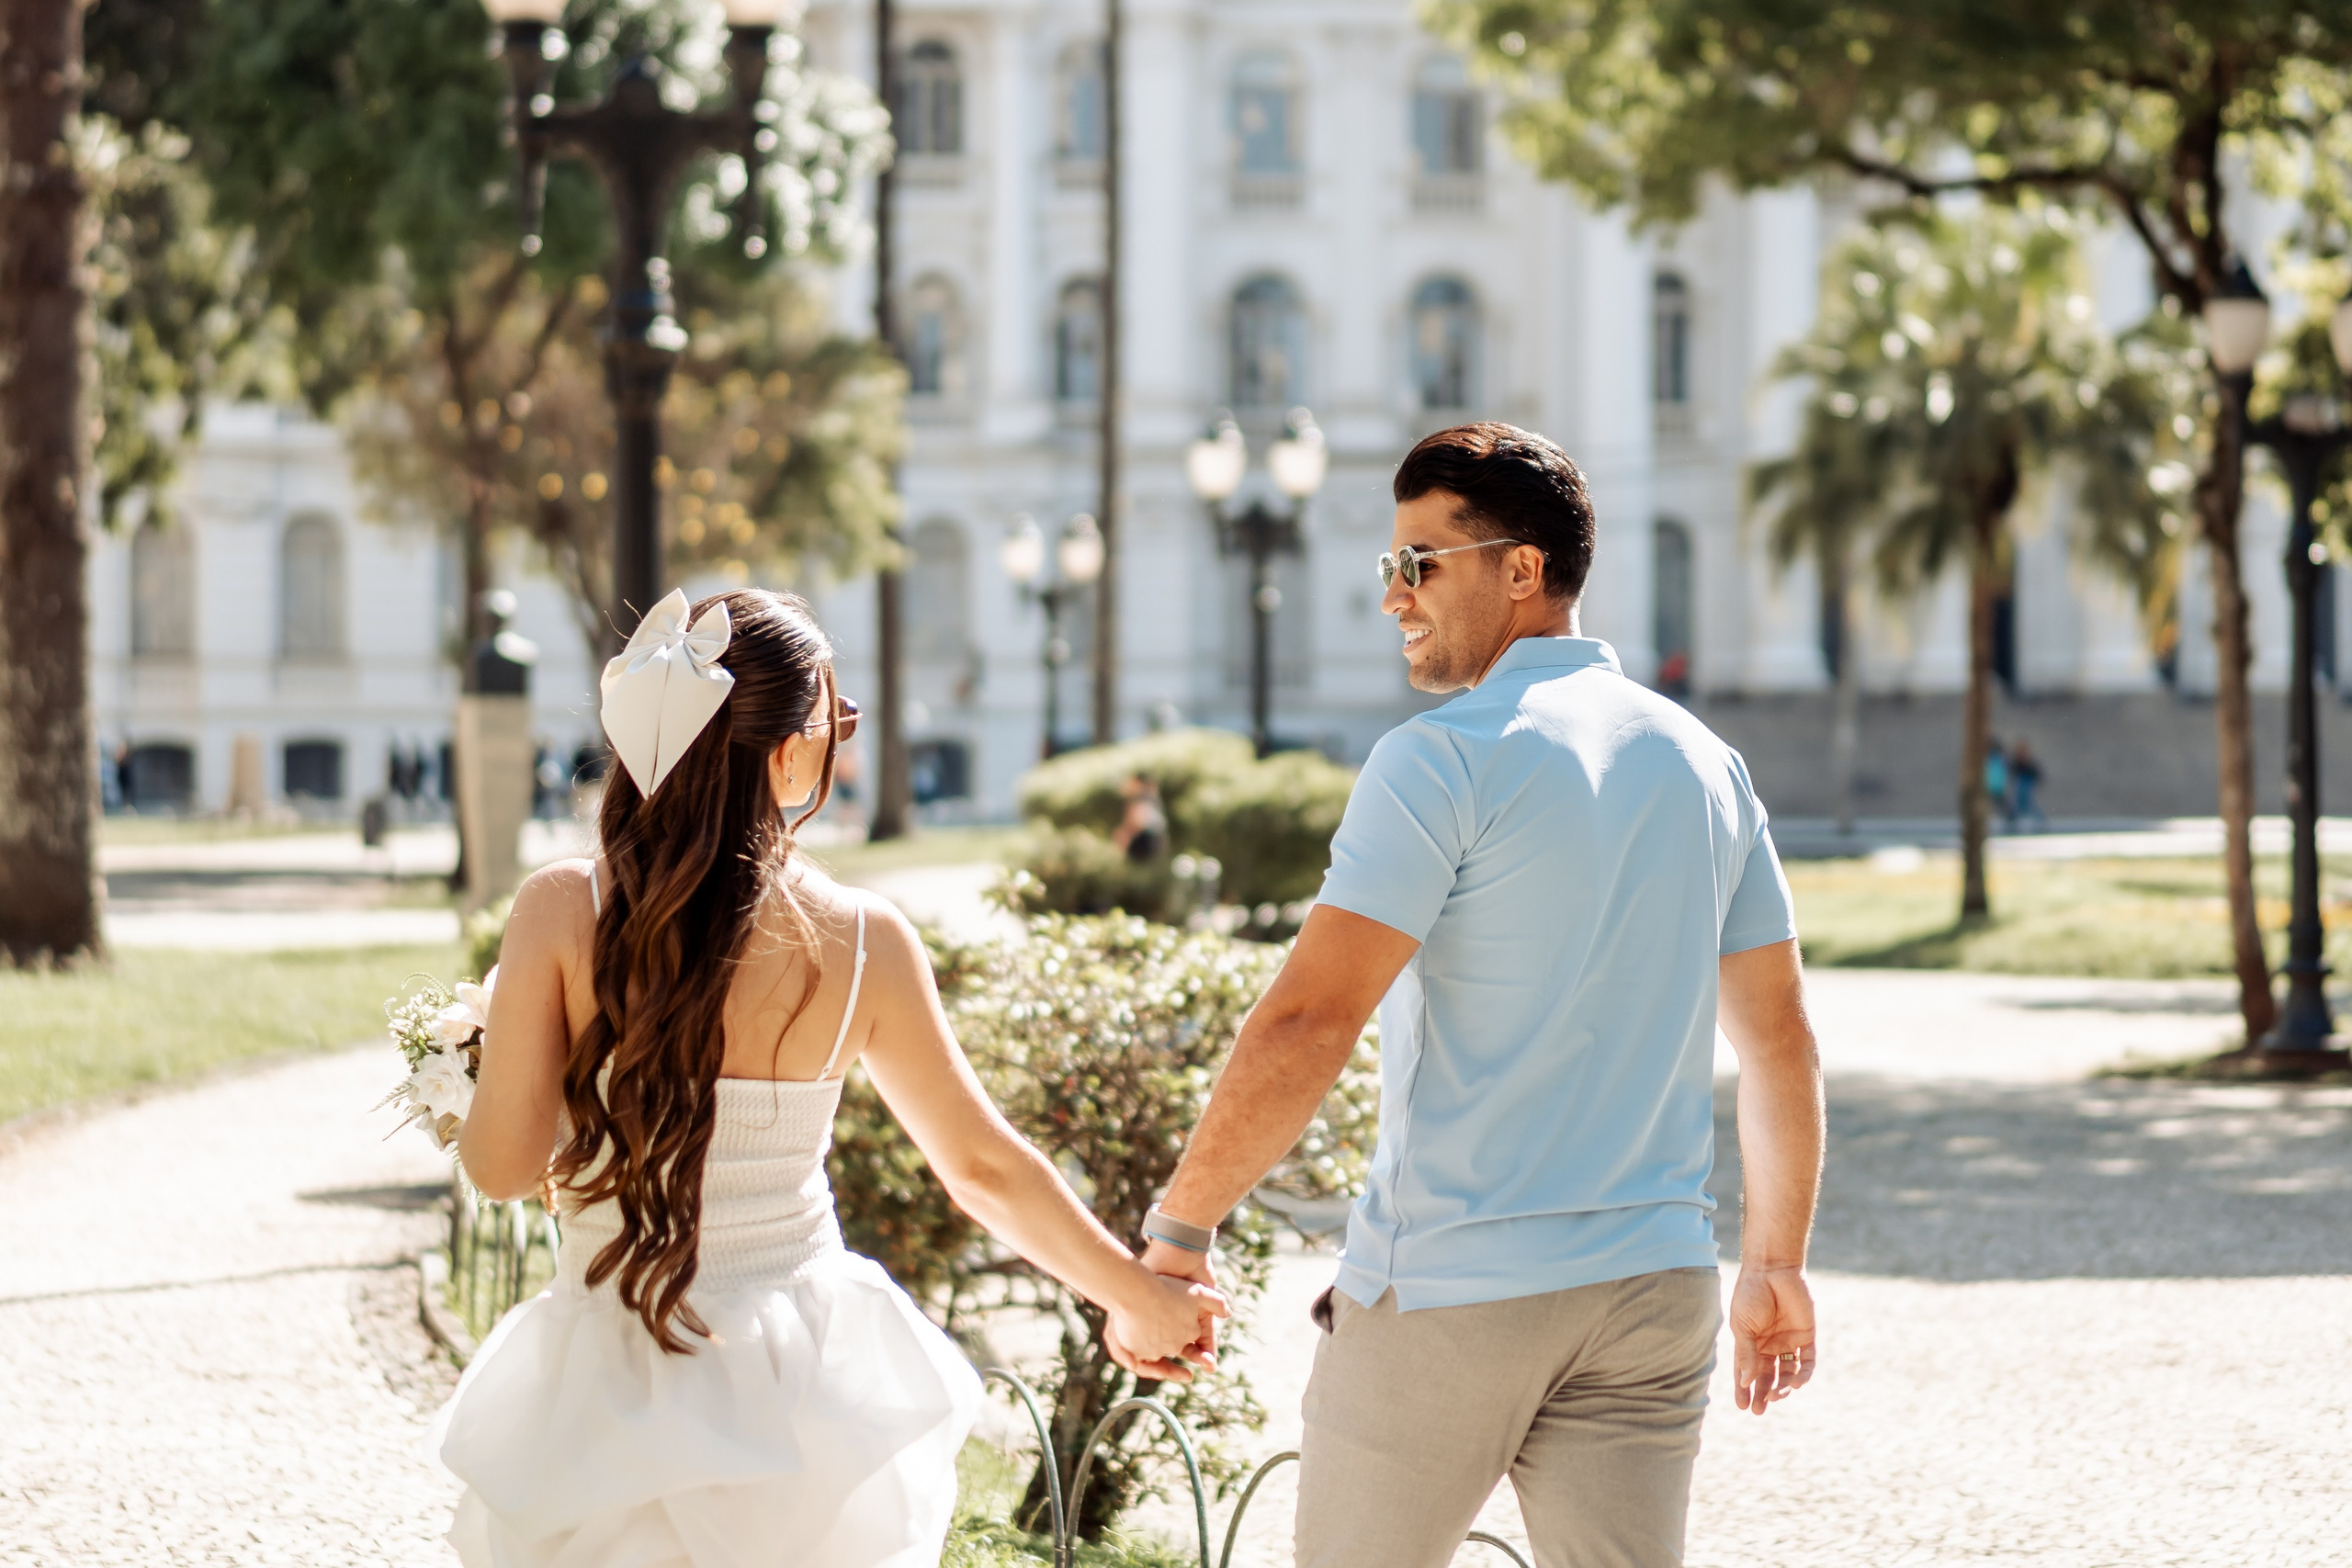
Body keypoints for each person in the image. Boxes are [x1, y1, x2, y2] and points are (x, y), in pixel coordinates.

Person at [1120, 423, 1825, 1568]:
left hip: (1450, 1287)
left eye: (1419, 564)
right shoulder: (1702, 762)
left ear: (1523, 571)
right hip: (1649, 1292)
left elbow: (1308, 1020)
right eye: (1388, 567)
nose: (1393, 595)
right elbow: (1781, 1041)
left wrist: (1178, 1235)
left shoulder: (1441, 758)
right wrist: (1776, 1264)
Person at [435, 588, 1227, 1568]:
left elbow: (504, 1170)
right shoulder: (863, 939)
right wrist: (1135, 1297)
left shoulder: (559, 907)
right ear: (791, 749)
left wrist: (499, 1067)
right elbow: (981, 1166)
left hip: (610, 1364)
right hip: (799, 1382)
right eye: (835, 723)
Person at [2009, 739, 2045, 829]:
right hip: (2020, 788)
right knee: (2020, 807)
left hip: (2027, 788)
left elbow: (2038, 774)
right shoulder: (2015, 763)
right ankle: (2015, 824)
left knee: (2028, 806)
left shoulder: (2030, 764)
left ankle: (2040, 825)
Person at [1984, 737, 2011, 829]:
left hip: (1992, 787)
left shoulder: (1991, 759)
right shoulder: (2000, 759)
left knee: (2001, 808)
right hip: (1995, 788)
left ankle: (2008, 824)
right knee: (2003, 808)